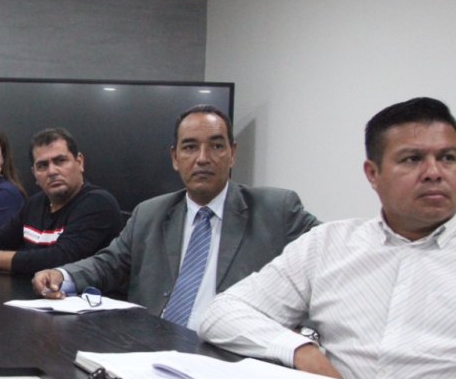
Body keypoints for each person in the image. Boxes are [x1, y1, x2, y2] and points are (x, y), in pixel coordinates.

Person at [199, 97, 456, 379]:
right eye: (412, 159)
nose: (434, 172)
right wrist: (300, 352)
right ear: (373, 174)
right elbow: (221, 313)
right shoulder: (329, 245)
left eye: (447, 157)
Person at [32, 105, 318, 329]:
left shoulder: (277, 210)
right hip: (152, 346)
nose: (202, 158)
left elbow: (332, 264)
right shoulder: (150, 214)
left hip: (234, 357)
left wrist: (308, 334)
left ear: (232, 154)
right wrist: (61, 275)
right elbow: (108, 264)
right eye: (190, 147)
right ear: (175, 157)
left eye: (216, 146)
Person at [0, 128, 123, 275]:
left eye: (60, 161)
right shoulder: (35, 204)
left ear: (80, 162)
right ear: (34, 173)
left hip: (88, 305)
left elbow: (61, 259)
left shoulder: (98, 203)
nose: (52, 171)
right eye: (42, 165)